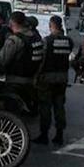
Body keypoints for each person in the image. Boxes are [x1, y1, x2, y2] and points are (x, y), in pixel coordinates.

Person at [33, 15, 74, 146]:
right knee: (59, 106)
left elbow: (41, 60)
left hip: (47, 78)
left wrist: (37, 76)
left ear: (51, 25)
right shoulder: (69, 41)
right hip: (62, 78)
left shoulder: (47, 41)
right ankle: (59, 134)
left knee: (45, 107)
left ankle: (44, 135)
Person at [0, 12, 44, 109]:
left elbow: (2, 60)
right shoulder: (36, 37)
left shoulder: (15, 40)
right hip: (32, 81)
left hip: (15, 82)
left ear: (11, 23)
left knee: (9, 114)